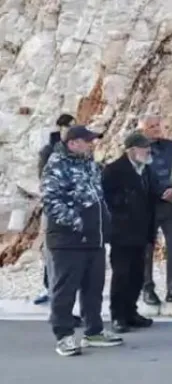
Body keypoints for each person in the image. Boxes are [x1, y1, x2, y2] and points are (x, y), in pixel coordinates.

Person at [41, 125, 123, 356]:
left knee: (93, 288)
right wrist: (78, 223)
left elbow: (97, 196)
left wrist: (103, 224)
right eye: (87, 141)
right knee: (65, 289)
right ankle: (64, 336)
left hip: (94, 239)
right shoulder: (57, 164)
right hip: (68, 240)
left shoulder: (89, 164)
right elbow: (51, 201)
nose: (92, 144)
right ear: (73, 143)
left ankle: (93, 331)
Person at [102, 132, 160, 333]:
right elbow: (108, 199)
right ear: (132, 150)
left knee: (137, 274)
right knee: (122, 274)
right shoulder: (113, 170)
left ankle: (131, 311)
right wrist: (127, 201)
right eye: (144, 148)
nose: (148, 151)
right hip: (122, 232)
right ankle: (118, 315)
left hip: (143, 231)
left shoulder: (146, 170)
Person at [137, 115, 172, 307]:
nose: (155, 129)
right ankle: (147, 288)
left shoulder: (171, 147)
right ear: (143, 130)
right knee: (147, 248)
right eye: (151, 126)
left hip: (171, 204)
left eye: (157, 125)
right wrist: (159, 192)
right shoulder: (138, 149)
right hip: (148, 205)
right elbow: (138, 175)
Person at [35, 113, 75, 306]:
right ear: (61, 128)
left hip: (73, 206)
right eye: (68, 126)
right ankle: (49, 286)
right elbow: (43, 179)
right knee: (51, 248)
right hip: (53, 205)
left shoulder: (75, 148)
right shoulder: (48, 150)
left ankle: (61, 288)